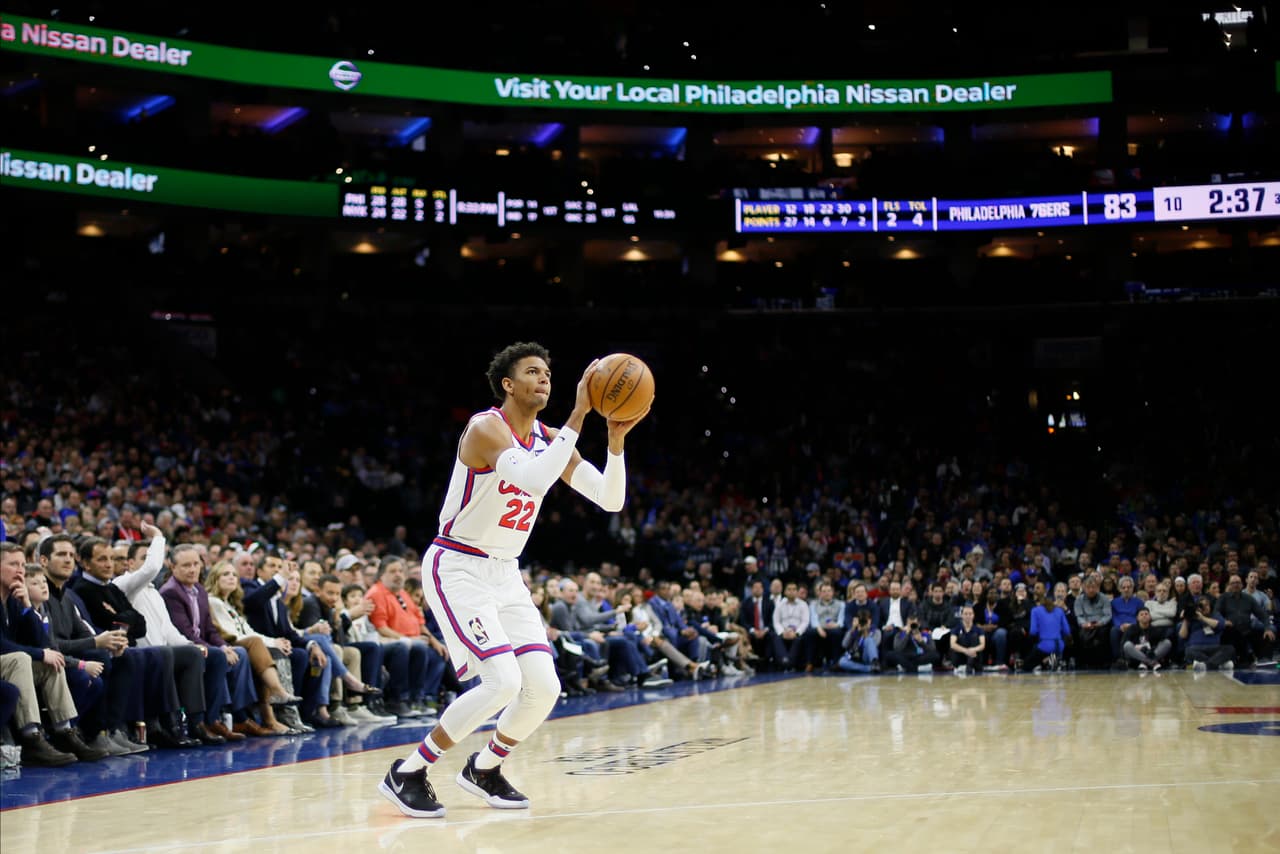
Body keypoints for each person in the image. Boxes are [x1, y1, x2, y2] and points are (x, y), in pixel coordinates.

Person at [379, 342, 647, 819]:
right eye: (532, 372)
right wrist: (580, 413)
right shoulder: (486, 428)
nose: (545, 379)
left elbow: (610, 499)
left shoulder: (549, 438)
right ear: (508, 384)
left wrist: (615, 441)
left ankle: (484, 768)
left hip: (505, 572)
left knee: (543, 687)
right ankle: (409, 772)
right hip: (457, 564)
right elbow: (531, 480)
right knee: (501, 681)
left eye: (548, 372)